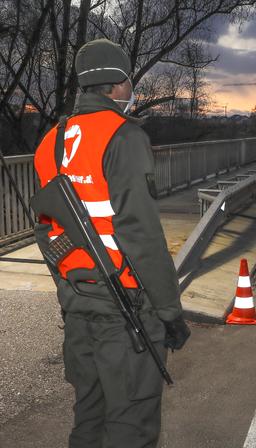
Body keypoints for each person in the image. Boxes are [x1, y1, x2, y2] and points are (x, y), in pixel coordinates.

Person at [33, 38, 190, 447]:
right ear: (118, 85)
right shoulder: (123, 137)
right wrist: (170, 312)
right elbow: (140, 234)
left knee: (88, 418)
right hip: (126, 310)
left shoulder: (51, 141)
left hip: (78, 305)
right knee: (130, 425)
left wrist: (69, 290)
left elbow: (45, 232)